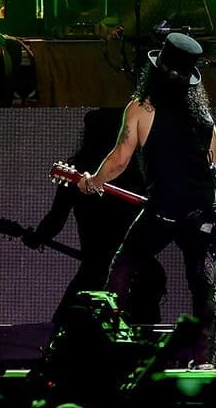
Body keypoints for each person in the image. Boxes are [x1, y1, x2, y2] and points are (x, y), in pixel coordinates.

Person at [78, 32, 216, 368]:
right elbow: (215, 172)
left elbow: (119, 159)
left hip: (163, 210)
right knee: (203, 287)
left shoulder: (141, 108)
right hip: (203, 211)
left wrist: (93, 181)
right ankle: (206, 361)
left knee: (122, 268)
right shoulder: (206, 120)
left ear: (156, 71)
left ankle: (101, 347)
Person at [25, 108, 166, 326]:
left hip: (99, 270)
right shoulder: (132, 172)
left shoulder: (127, 172)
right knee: (145, 335)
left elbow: (55, 219)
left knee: (65, 331)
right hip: (134, 269)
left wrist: (37, 237)